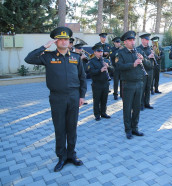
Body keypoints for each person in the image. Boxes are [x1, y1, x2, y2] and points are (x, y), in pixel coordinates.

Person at [24, 26, 87, 172]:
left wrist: (82, 96)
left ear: (69, 42)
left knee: (72, 128)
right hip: (57, 97)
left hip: (73, 97)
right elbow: (28, 59)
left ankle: (71, 155)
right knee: (60, 128)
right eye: (61, 39)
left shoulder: (76, 58)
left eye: (66, 39)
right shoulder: (48, 56)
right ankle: (62, 157)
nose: (64, 42)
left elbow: (82, 78)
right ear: (56, 41)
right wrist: (44, 46)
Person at [116, 31, 151, 139]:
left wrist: (143, 59)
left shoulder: (139, 51)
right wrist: (133, 64)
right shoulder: (120, 53)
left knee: (136, 108)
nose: (132, 42)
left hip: (139, 83)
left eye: (133, 40)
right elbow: (119, 67)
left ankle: (135, 128)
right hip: (128, 84)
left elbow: (150, 65)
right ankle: (128, 130)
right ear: (125, 42)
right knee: (127, 108)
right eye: (130, 40)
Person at [87, 43, 113, 121]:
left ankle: (103, 113)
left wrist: (108, 67)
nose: (100, 53)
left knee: (104, 99)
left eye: (101, 51)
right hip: (97, 84)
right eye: (98, 51)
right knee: (97, 100)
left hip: (105, 83)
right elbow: (91, 72)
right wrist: (100, 70)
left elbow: (113, 70)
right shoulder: (91, 61)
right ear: (95, 52)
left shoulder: (105, 60)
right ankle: (97, 114)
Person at [138, 33, 154, 110]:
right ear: (142, 40)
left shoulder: (149, 48)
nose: (148, 41)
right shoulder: (139, 49)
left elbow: (156, 58)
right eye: (146, 40)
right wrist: (148, 57)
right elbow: (140, 59)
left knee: (148, 87)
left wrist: (154, 55)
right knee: (142, 88)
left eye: (148, 40)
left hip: (150, 70)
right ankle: (140, 104)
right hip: (143, 71)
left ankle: (147, 103)